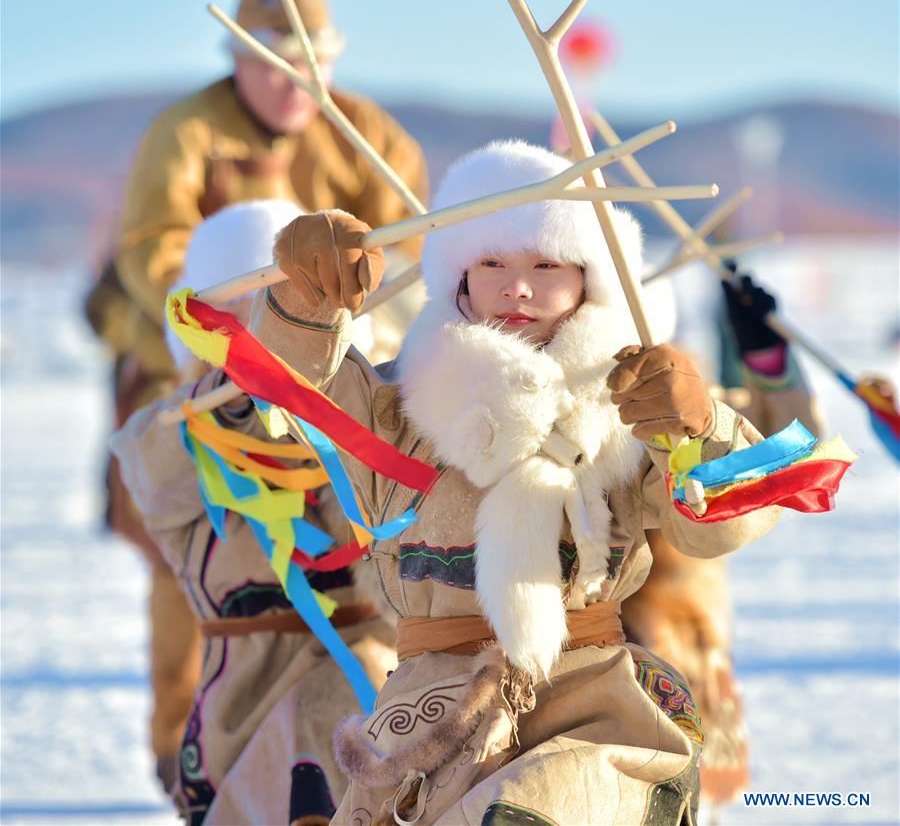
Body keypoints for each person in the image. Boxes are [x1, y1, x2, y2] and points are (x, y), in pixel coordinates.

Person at [242, 139, 784, 824]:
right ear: (459, 278)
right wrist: (304, 294)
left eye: (545, 263)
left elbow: (725, 525)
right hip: (425, 721)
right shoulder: (397, 405)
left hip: (593, 707)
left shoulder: (631, 405)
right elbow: (293, 386)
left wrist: (699, 429)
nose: (517, 285)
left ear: (588, 278)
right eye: (492, 261)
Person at [85, 0, 428, 784]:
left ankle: (350, 737)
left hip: (327, 382)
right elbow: (151, 245)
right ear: (238, 57)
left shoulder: (366, 136)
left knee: (352, 559)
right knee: (198, 568)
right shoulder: (188, 132)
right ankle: (184, 749)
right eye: (275, 65)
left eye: (312, 65)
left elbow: (409, 243)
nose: (294, 84)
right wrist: (213, 324)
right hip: (195, 376)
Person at [112, 199, 397, 825]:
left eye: (285, 300)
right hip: (237, 714)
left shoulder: (372, 426)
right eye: (252, 302)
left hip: (371, 693)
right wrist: (266, 377)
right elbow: (157, 480)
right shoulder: (167, 436)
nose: (266, 324)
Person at [621, 265, 825, 808]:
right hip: (581, 654)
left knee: (700, 800)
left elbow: (790, 453)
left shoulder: (693, 395)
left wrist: (765, 355)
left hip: (691, 642)